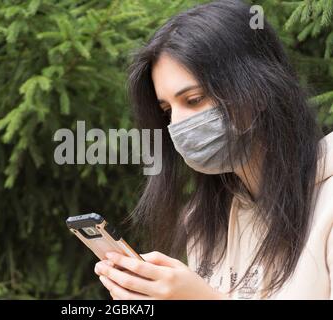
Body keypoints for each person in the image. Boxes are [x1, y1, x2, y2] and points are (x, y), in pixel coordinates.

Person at [94, 0, 332, 299]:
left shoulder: (327, 205)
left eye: (194, 100)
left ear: (258, 89)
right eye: (167, 110)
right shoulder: (204, 222)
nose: (178, 125)